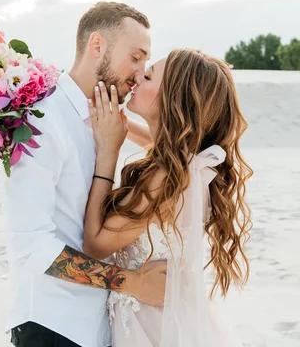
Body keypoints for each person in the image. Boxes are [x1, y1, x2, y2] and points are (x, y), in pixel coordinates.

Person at [1, 1, 167, 347]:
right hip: (51, 327)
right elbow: (32, 247)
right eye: (135, 58)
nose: (139, 73)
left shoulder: (107, 120)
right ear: (97, 46)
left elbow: (179, 150)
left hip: (100, 326)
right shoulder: (41, 124)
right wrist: (132, 283)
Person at [83, 48, 253, 346]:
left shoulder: (165, 177)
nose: (137, 76)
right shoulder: (189, 162)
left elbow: (95, 245)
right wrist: (122, 126)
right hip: (172, 320)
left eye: (147, 76)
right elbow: (159, 139)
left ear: (171, 101)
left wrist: (108, 151)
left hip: (152, 327)